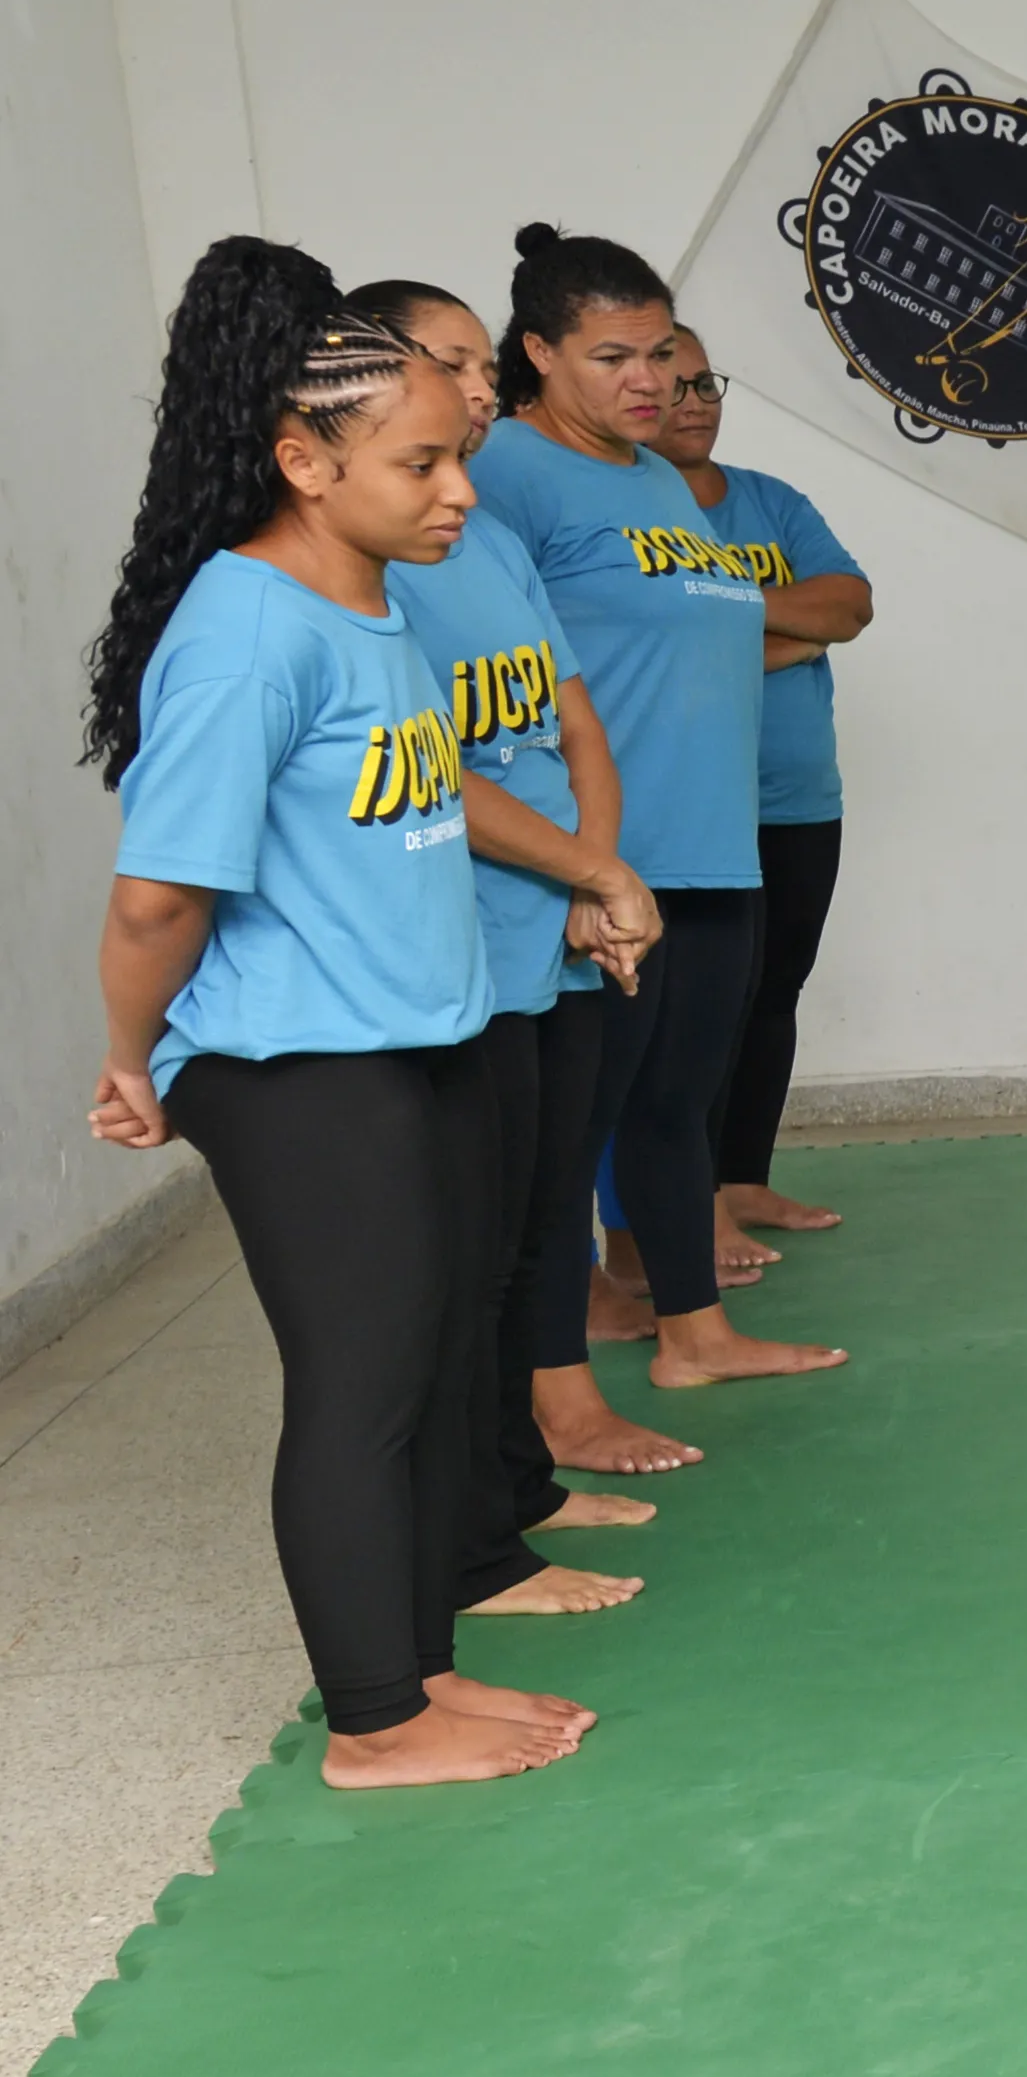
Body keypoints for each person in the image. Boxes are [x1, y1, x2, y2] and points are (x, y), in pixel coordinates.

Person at [76, 239, 596, 1788]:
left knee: (436, 1359)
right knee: (365, 1384)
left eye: (456, 455)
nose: (457, 489)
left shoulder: (370, 608)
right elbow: (160, 896)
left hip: (410, 1039)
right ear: (305, 460)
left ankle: (420, 1663)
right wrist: (128, 1053)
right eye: (422, 461)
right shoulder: (245, 632)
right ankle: (375, 1723)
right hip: (298, 1060)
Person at [472, 224, 841, 1456]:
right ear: (537, 354)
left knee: (677, 1102)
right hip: (603, 860)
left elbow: (715, 627)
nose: (650, 383)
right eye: (613, 356)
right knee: (572, 1128)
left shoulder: (647, 479)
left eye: (664, 357)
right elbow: (486, 664)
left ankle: (693, 1335)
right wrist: (571, 860)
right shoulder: (510, 474)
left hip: (713, 839)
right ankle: (555, 1378)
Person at [354, 274, 668, 1605]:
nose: (479, 393)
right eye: (451, 366)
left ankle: (521, 1486)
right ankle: (480, 1535)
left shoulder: (475, 526)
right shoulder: (379, 559)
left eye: (484, 368)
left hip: (554, 930)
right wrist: (589, 867)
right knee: (468, 1255)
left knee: (541, 1221)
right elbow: (443, 772)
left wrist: (601, 877)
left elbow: (566, 716)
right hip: (467, 943)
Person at [650, 334, 874, 1244]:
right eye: (674, 385)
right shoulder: (621, 514)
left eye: (707, 382)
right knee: (697, 1008)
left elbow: (848, 607)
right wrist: (786, 629)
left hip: (796, 796)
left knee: (774, 989)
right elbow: (643, 641)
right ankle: (687, 1203)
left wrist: (717, 612)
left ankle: (742, 1179)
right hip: (689, 803)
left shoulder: (771, 502)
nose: (696, 400)